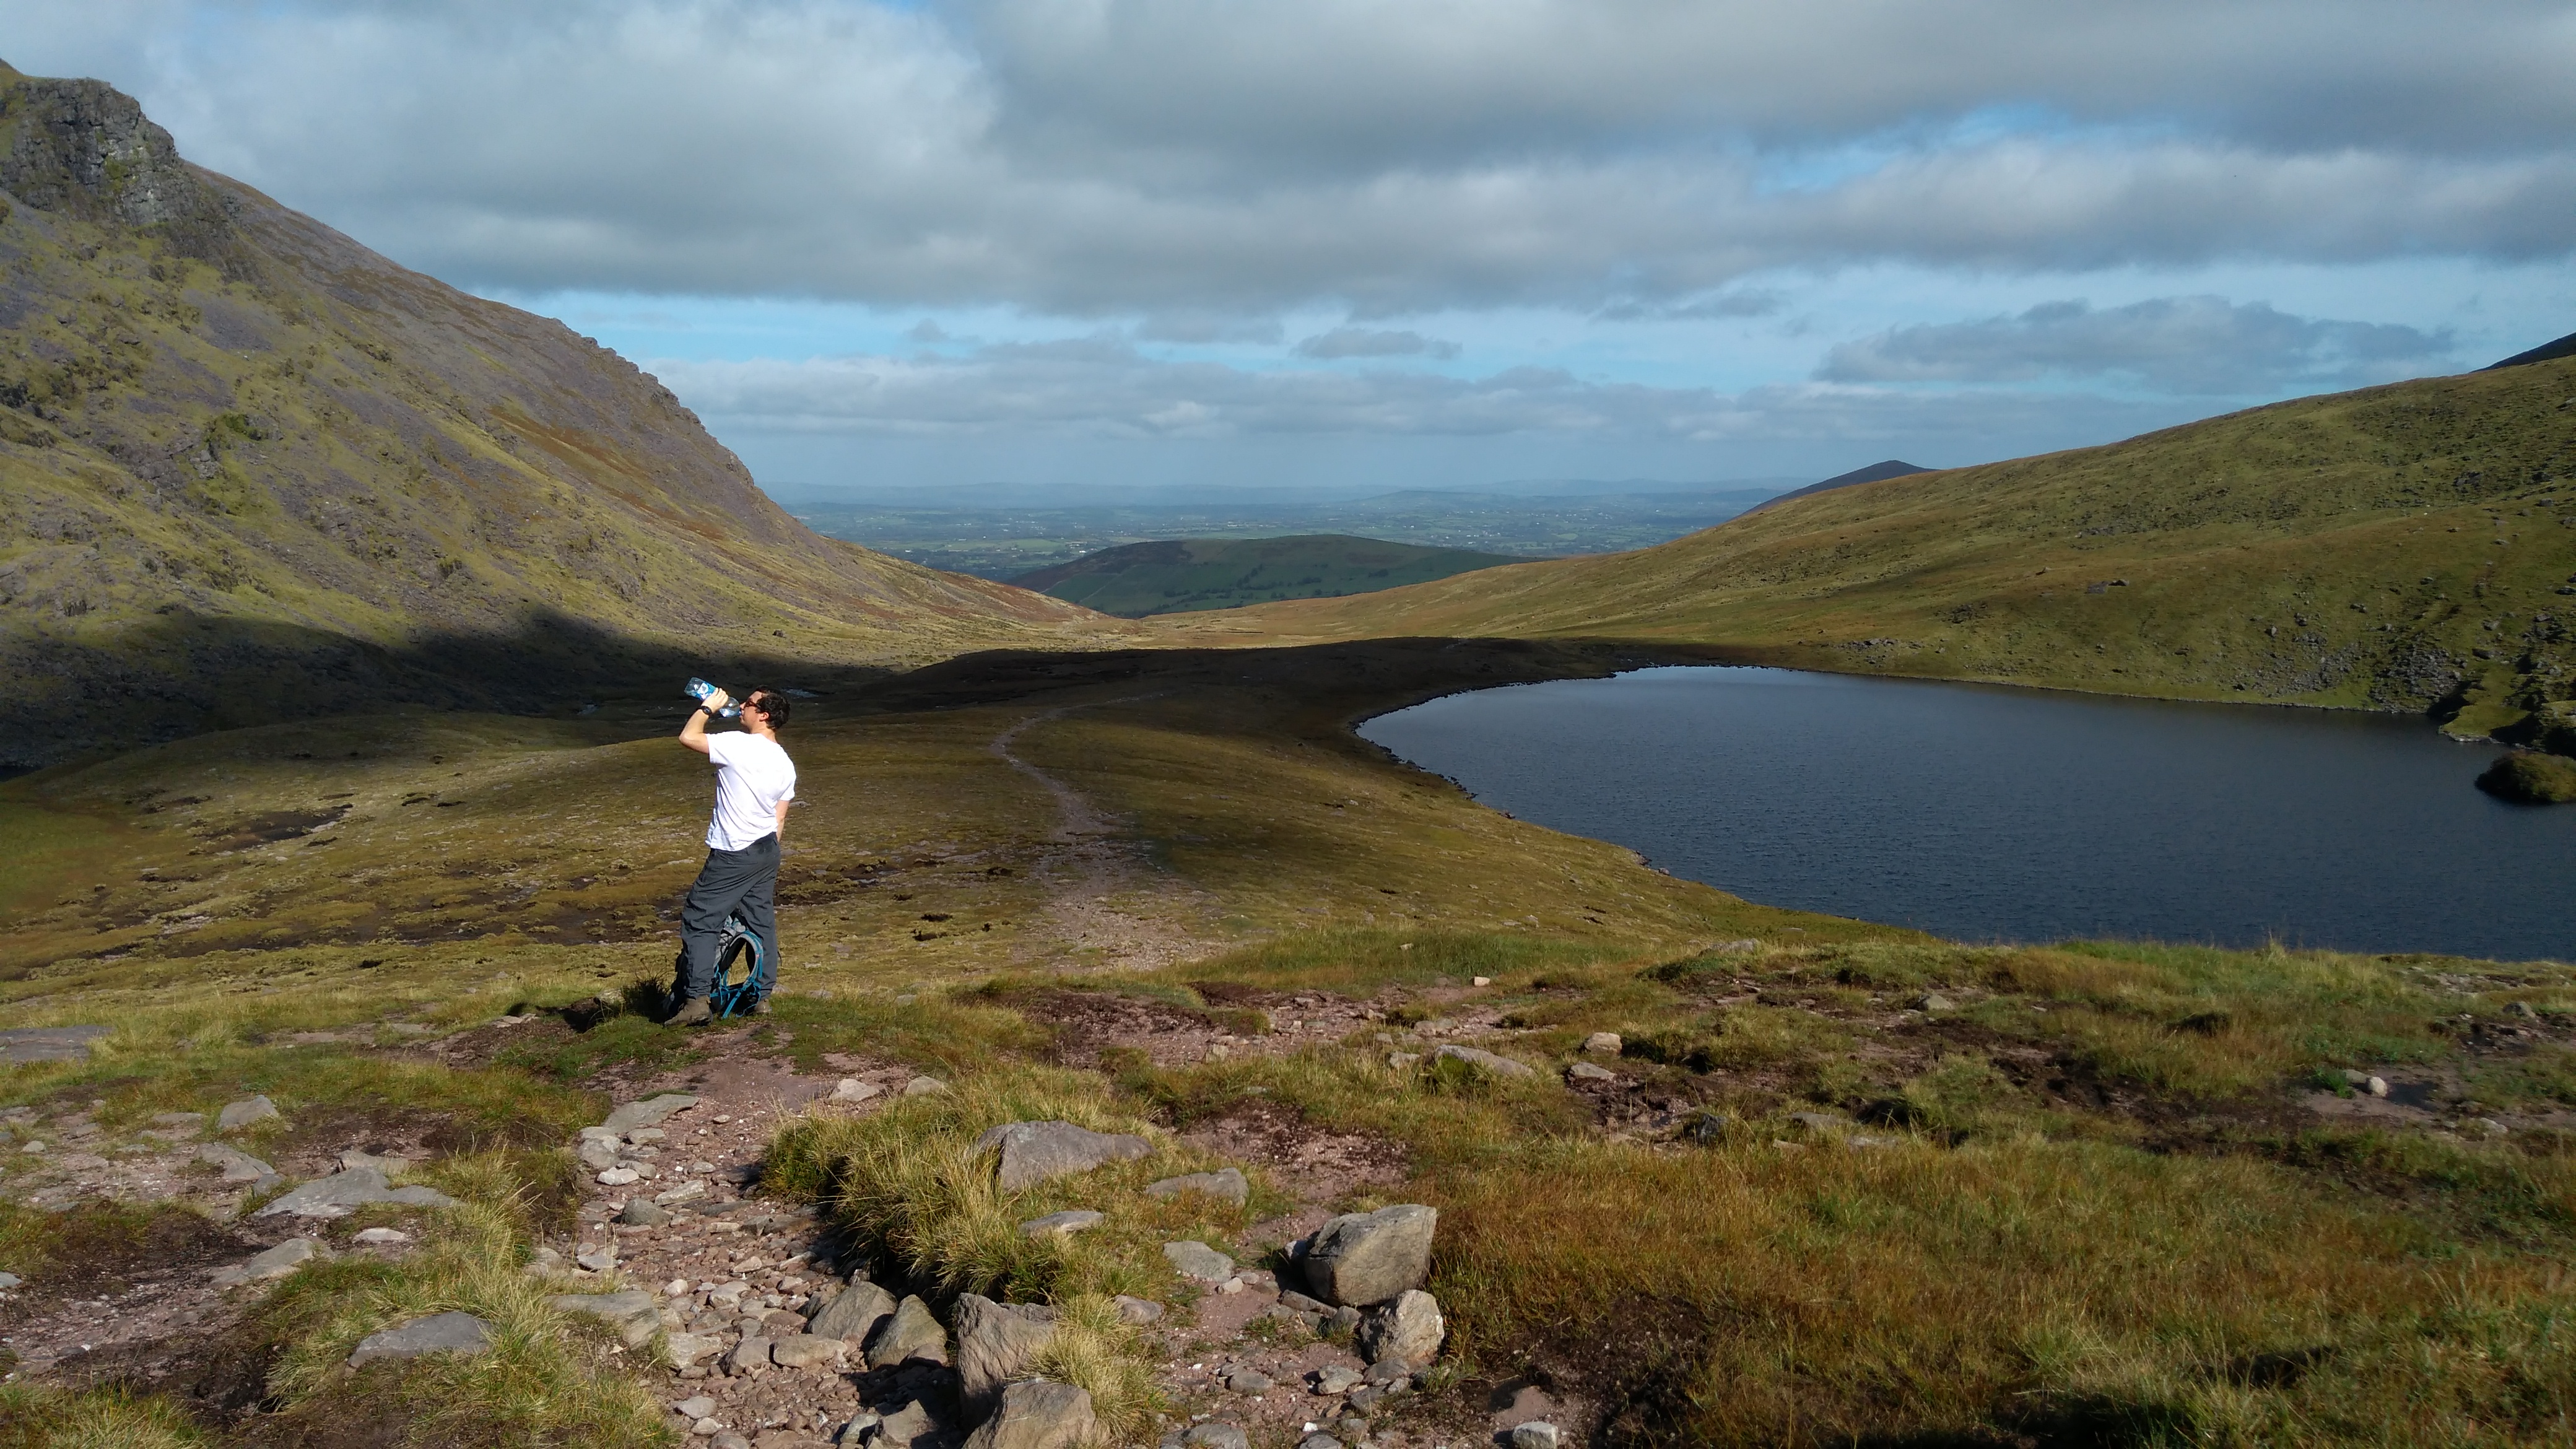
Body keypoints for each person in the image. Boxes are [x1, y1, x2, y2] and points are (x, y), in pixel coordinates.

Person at [669, 684, 796, 1024]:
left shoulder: (739, 745)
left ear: (764, 714)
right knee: (760, 921)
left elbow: (688, 736)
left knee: (700, 918)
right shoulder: (785, 762)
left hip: (733, 851)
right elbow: (779, 817)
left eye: (749, 704)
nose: (742, 707)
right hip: (766, 850)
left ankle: (696, 1002)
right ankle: (761, 997)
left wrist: (709, 707)